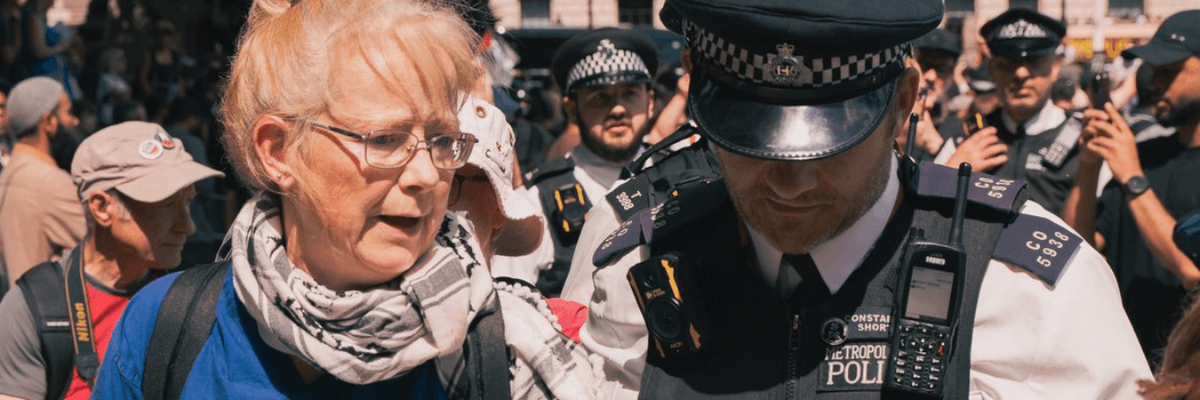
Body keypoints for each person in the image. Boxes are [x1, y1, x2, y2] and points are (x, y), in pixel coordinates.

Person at [560, 0, 1151, 398]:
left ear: (903, 103)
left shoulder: (1028, 291)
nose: (791, 183)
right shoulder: (639, 272)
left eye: (829, 146)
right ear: (693, 85)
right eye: (752, 139)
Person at [92, 0, 590, 398]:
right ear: (278, 152)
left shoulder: (505, 349)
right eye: (385, 138)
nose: (426, 176)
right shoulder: (167, 325)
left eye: (441, 141)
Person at [0, 121, 222, 400]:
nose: (188, 226)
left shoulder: (192, 299)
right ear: (102, 208)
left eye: (187, 203)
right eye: (167, 205)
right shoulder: (34, 309)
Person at [1062, 9, 1200, 370]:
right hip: (1122, 367)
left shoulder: (1135, 167)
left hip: (1184, 375)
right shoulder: (1147, 155)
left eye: (1169, 72)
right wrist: (1089, 167)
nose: (1154, 83)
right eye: (1153, 71)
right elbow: (1081, 249)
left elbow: (1191, 272)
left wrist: (1133, 178)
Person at [493, 28, 658, 296]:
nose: (617, 109)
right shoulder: (535, 201)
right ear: (572, 109)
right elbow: (509, 306)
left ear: (649, 102)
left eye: (629, 93)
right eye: (600, 97)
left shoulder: (684, 176)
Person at [934, 8, 1083, 216]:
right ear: (992, 70)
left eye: (1034, 62)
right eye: (1008, 64)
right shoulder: (964, 139)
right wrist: (952, 176)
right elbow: (927, 212)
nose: (1021, 74)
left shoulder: (1084, 140)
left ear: (1055, 67)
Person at [0, 76, 82, 289]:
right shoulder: (49, 183)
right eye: (68, 113)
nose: (76, 122)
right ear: (48, 122)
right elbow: (107, 252)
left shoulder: (10, 174)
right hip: (49, 314)